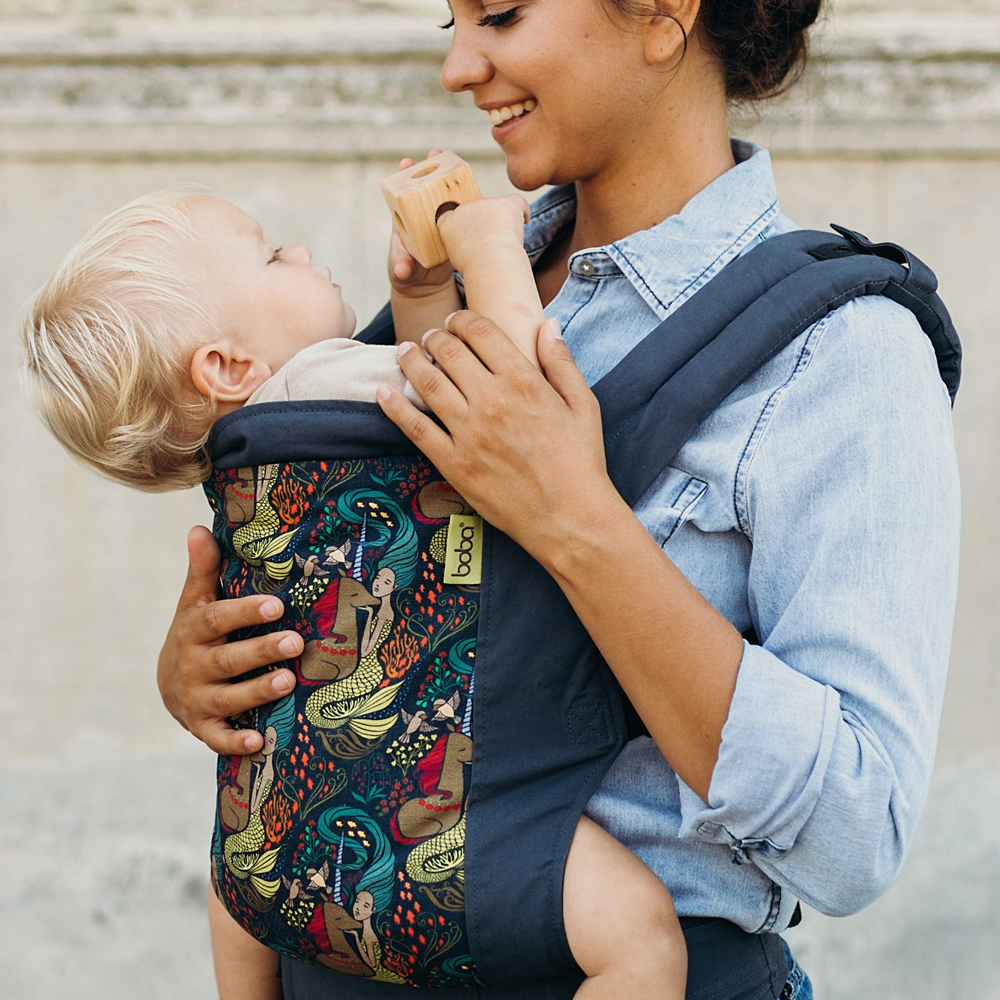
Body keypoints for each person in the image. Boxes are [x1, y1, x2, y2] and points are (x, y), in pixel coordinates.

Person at [156, 0, 961, 998]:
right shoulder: (433, 308)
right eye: (443, 23)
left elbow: (855, 832)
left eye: (498, 14)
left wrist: (572, 519)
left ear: (664, 15)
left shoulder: (839, 354)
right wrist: (211, 669)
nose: (457, 66)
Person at [20, 185, 686, 999]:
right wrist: (488, 253)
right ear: (228, 366)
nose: (301, 253)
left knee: (238, 888)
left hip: (271, 858)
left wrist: (419, 297)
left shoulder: (256, 456)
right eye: (271, 256)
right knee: (643, 943)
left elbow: (417, 423)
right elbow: (514, 396)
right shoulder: (316, 383)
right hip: (462, 840)